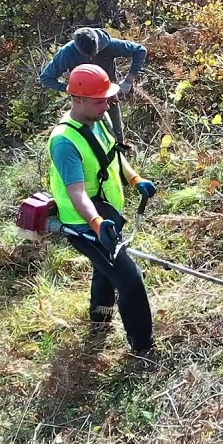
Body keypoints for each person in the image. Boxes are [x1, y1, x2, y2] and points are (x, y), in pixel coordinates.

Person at [48, 64, 159, 360]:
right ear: (77, 99)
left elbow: (112, 156)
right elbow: (77, 193)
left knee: (104, 269)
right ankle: (143, 348)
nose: (107, 105)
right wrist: (97, 225)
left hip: (106, 215)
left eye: (107, 99)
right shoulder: (64, 142)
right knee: (131, 279)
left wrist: (135, 179)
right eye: (99, 101)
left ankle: (100, 319)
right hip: (84, 225)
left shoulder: (100, 118)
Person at [40, 27, 149, 148]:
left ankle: (119, 155)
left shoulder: (108, 45)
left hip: (108, 97)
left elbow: (140, 50)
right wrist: (68, 88)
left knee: (116, 133)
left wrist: (129, 80)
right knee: (87, 136)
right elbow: (46, 77)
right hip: (84, 102)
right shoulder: (67, 52)